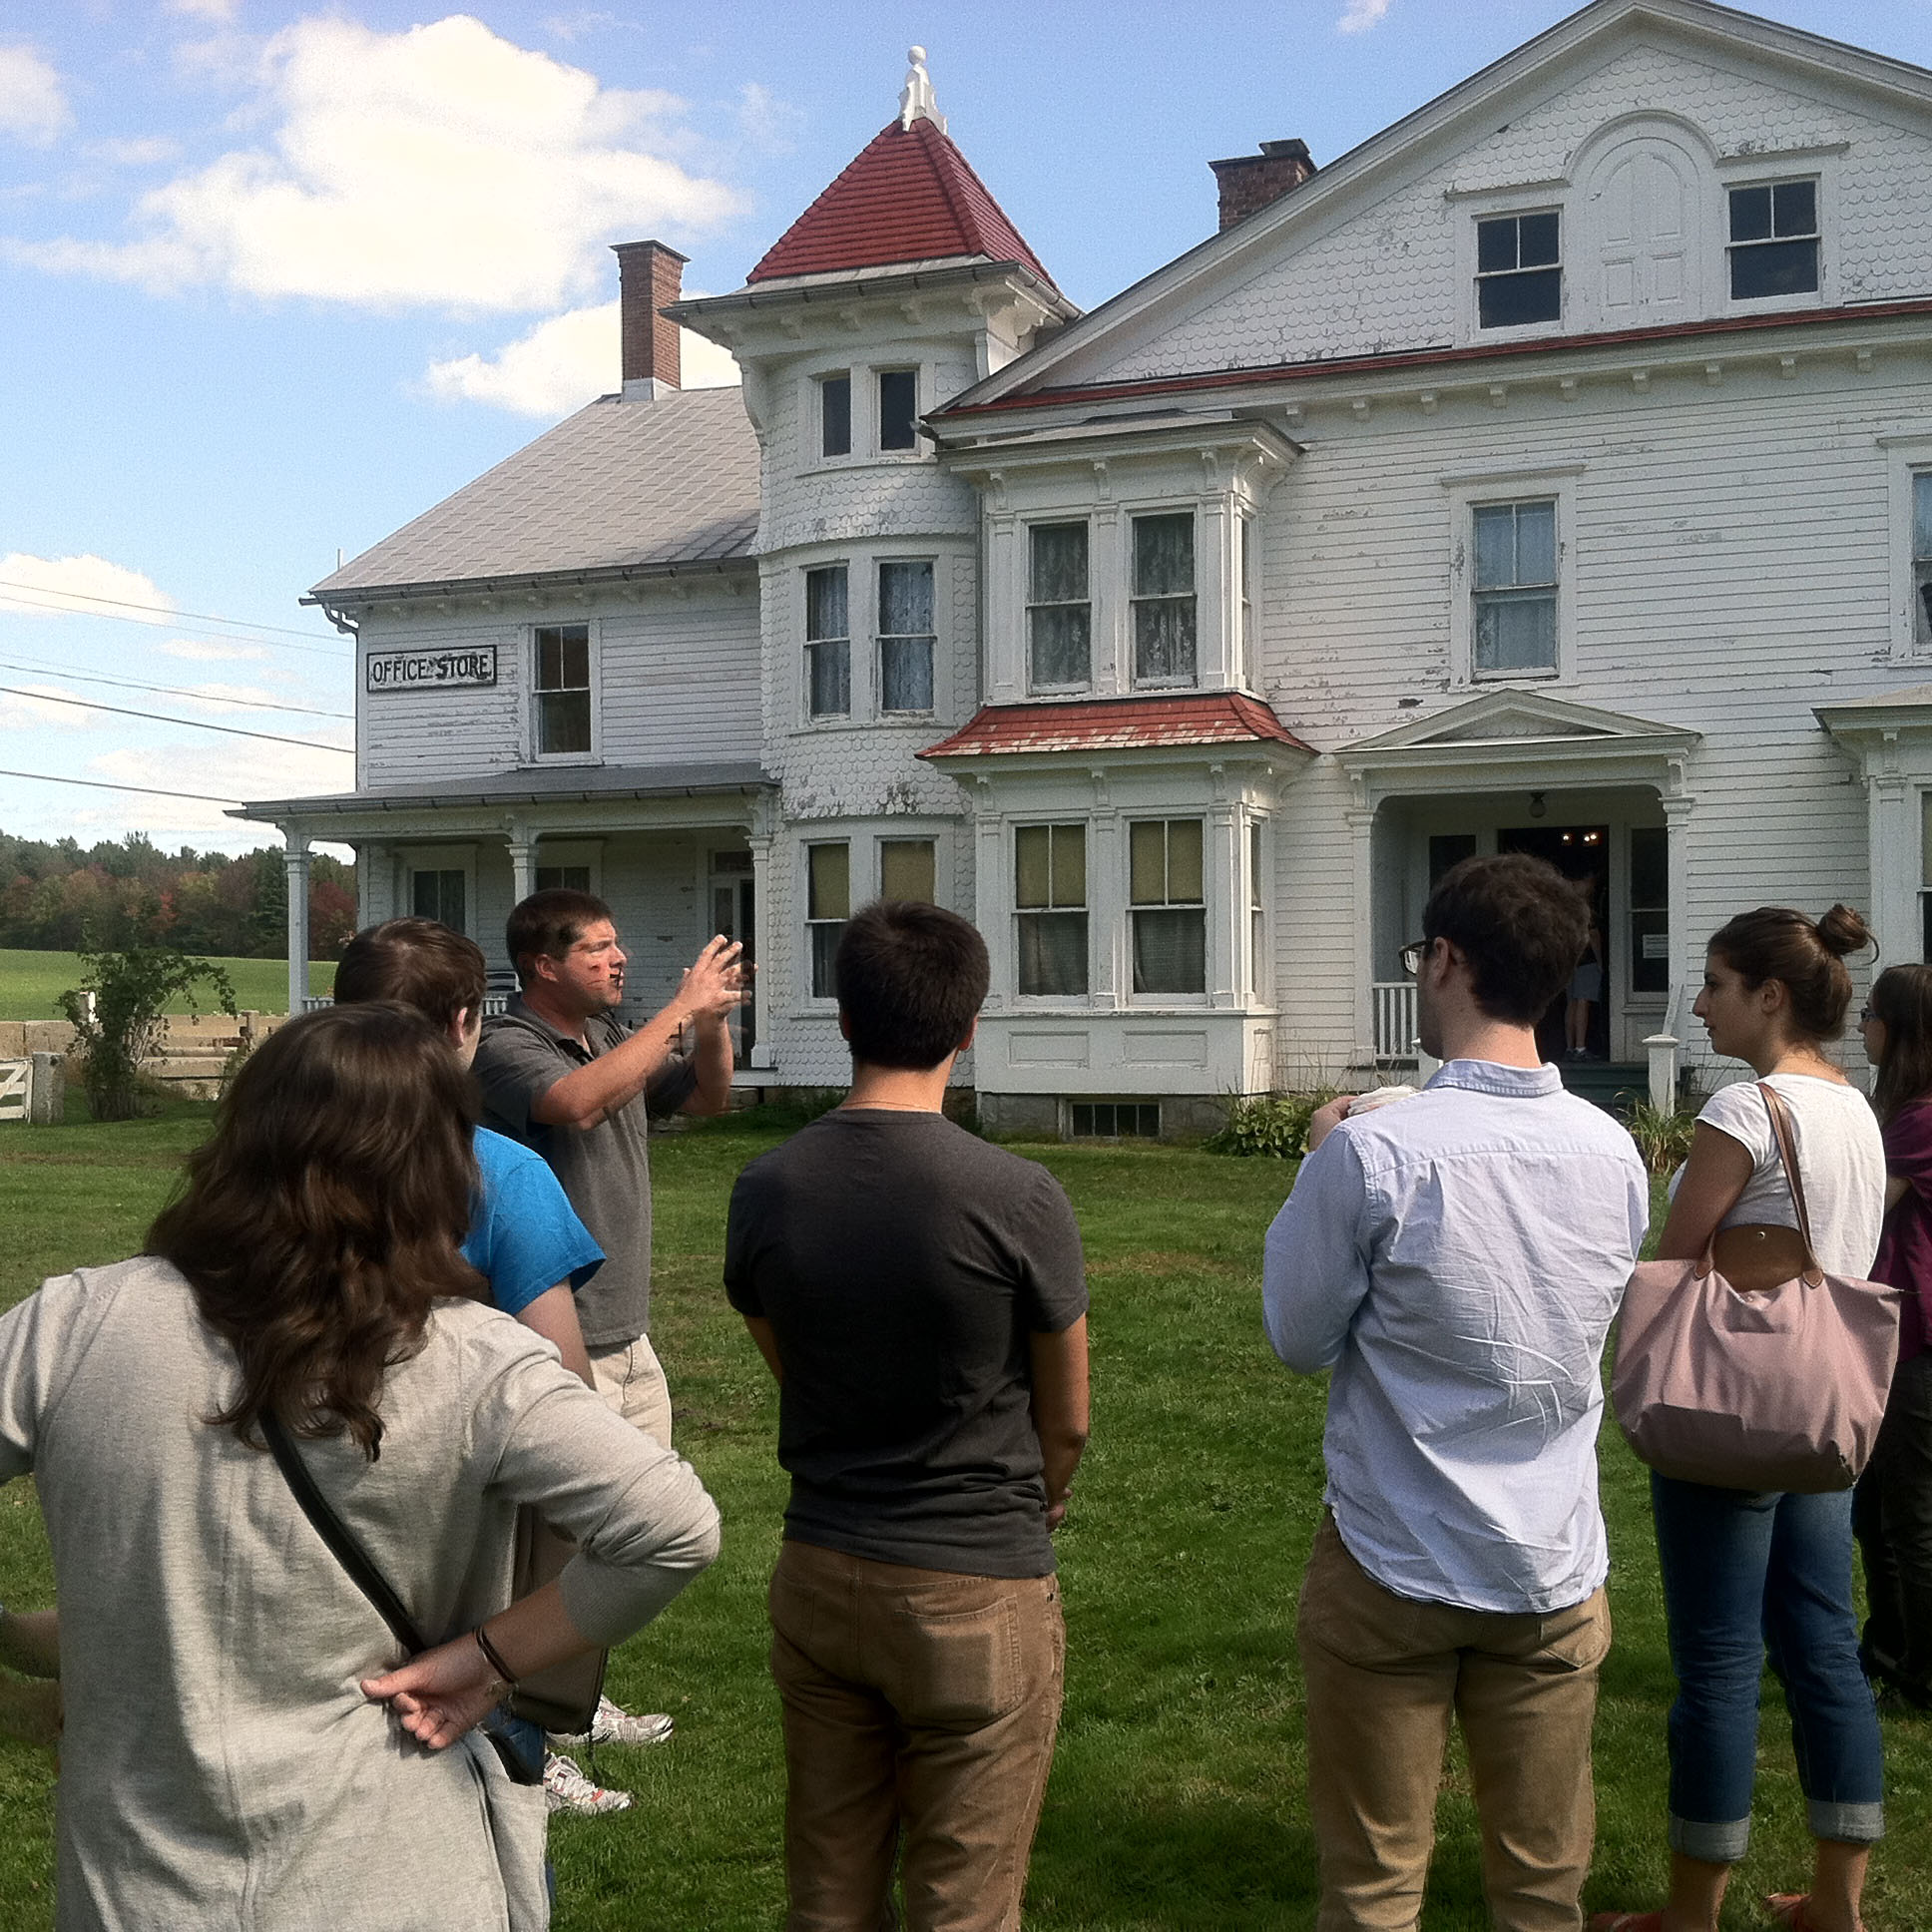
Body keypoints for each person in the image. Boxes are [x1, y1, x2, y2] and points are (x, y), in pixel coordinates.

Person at [0, 1003, 721, 1928]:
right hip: (395, 1869)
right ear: (441, 1167)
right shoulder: (475, 1360)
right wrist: (491, 1659)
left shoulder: (76, 1324)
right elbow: (673, 1528)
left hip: (138, 1886)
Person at [1264, 851, 1649, 1932]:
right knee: (1539, 1887)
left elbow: (1297, 1336)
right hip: (1550, 1561)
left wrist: (1317, 1159)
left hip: (1392, 1556)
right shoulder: (1614, 1152)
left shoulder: (1373, 1151)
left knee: (1377, 1884)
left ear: (1443, 961)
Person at [724, 900, 1090, 1932]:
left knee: (828, 1894)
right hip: (975, 1577)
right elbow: (1067, 1417)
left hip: (822, 1567)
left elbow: (783, 1359)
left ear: (843, 1020)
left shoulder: (767, 1185)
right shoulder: (1016, 1194)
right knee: (962, 1903)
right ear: (968, 1027)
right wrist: (1042, 1499)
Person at [1596, 906, 1886, 1932]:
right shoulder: (1853, 1107)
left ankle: (1689, 1914)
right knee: (1822, 1646)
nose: (1699, 1001)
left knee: (1717, 1662)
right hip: (1819, 1411)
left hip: (1729, 1406)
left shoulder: (1744, 1110)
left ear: (1769, 995)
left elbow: (1675, 1255)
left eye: (1715, 982)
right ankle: (1837, 1903)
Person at [335, 915, 643, 1814]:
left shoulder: (282, 1166)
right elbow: (561, 1377)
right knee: (476, 1693)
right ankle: (521, 1762)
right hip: (463, 1492)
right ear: (465, 1023)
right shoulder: (496, 1173)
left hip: (315, 1466)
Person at [473, 889, 746, 1761]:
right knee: (540, 1549)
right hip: (551, 1338)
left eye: (618, 944)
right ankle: (517, 1727)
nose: (618, 959)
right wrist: (677, 1009)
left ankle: (573, 1699)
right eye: (597, 948)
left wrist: (707, 1022)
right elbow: (577, 1105)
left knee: (624, 1534)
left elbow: (709, 1098)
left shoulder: (606, 1042)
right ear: (544, 965)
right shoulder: (510, 1048)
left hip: (628, 1334)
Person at [1854, 961, 1932, 1715]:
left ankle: (1920, 1670)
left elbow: (1863, 1208)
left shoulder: (1921, 1118)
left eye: (1869, 1016)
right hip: (1894, 1331)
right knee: (1877, 1504)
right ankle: (1884, 1647)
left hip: (1917, 1336)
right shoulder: (1906, 1109)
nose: (1862, 1029)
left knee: (1912, 1510)